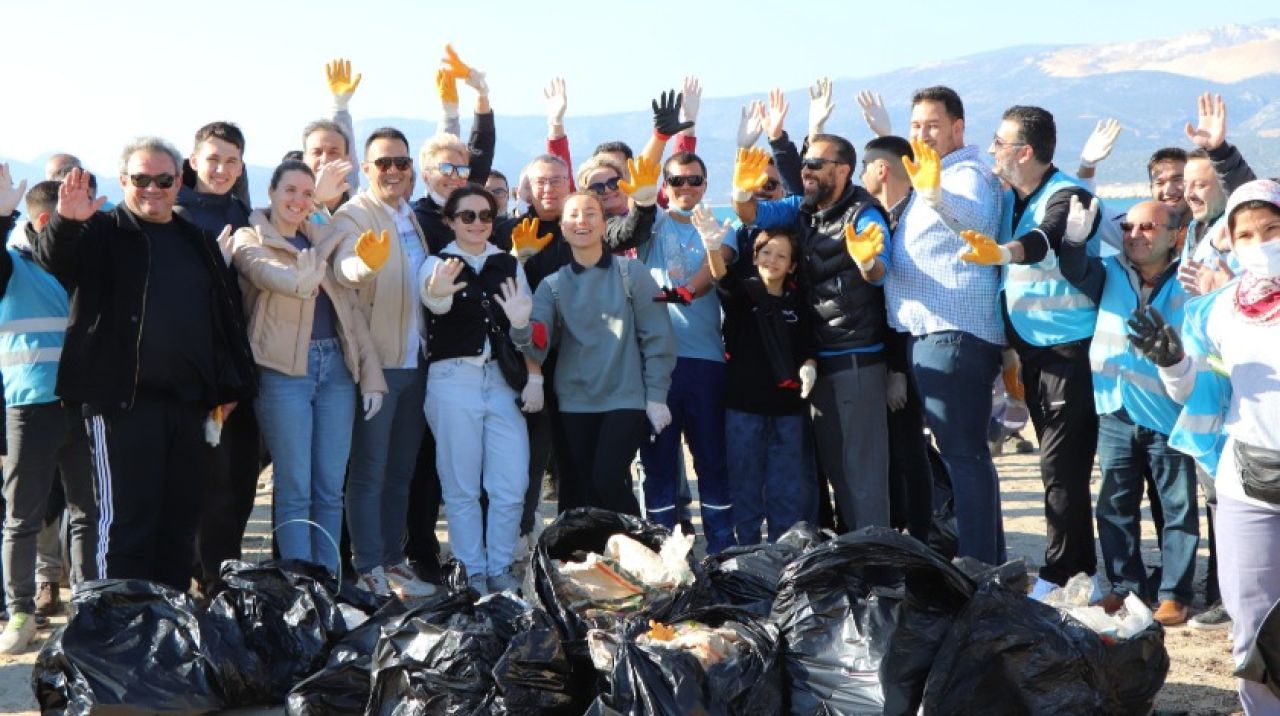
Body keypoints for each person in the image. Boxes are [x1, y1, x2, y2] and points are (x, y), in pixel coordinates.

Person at [33, 139, 257, 591]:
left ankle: (165, 625)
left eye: (163, 179)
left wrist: (227, 386)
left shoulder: (196, 241)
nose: (152, 188)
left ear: (179, 181)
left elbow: (222, 317)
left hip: (190, 408)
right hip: (121, 406)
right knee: (124, 525)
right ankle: (118, 628)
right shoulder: (98, 232)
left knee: (178, 525)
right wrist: (66, 223)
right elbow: (54, 261)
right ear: (123, 181)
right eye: (140, 179)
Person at [962, 106, 1103, 600]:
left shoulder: (1068, 195)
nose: (993, 149)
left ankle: (1061, 573)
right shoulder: (1009, 196)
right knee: (1059, 468)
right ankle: (1081, 567)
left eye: (1000, 142)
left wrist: (1002, 253)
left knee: (1060, 469)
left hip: (1069, 354)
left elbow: (1045, 239)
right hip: (1031, 353)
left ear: (1025, 151)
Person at [1151, 179, 1280, 712]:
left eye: (1272, 229)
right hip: (1248, 481)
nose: (1259, 243)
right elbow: (1193, 390)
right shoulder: (1217, 309)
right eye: (1245, 233)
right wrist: (1171, 361)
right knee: (1251, 626)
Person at [864, 86, 1008, 562]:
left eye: (932, 125)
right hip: (932, 332)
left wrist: (936, 195)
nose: (922, 134)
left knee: (963, 456)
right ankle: (986, 560)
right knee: (966, 456)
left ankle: (976, 566)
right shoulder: (938, 173)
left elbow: (978, 225)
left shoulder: (966, 175)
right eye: (915, 126)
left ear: (958, 128)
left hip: (954, 332)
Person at [733, 134, 894, 533]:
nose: (805, 170)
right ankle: (851, 561)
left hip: (857, 355)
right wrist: (739, 189)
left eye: (816, 164)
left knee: (864, 476)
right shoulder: (802, 209)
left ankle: (877, 564)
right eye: (804, 163)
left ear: (842, 170)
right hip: (819, 359)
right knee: (838, 471)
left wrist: (867, 262)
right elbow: (751, 214)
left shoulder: (865, 215)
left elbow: (880, 272)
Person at [232, 160, 386, 574]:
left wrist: (371, 376)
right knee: (295, 487)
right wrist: (298, 282)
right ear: (272, 192)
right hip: (283, 374)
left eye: (306, 193)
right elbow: (263, 272)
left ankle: (329, 582)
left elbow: (351, 314)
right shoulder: (251, 237)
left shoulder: (322, 240)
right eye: (290, 191)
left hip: (335, 366)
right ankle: (301, 584)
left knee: (329, 489)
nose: (298, 200)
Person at [1058, 198, 1199, 626]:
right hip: (1115, 410)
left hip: (1168, 411)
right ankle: (1125, 588)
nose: (1134, 235)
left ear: (1175, 235)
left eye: (1148, 228)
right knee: (1115, 505)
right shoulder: (1110, 271)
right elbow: (1074, 267)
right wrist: (1073, 239)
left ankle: (1174, 593)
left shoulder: (1192, 279)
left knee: (1177, 509)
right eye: (1129, 227)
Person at [503, 191, 676, 515]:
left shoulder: (632, 274)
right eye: (573, 215)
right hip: (573, 400)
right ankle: (581, 559)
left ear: (604, 223)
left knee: (608, 479)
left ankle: (644, 548)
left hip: (625, 398)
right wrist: (520, 325)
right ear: (563, 227)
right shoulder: (551, 285)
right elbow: (537, 344)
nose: (581, 221)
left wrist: (656, 395)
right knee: (578, 489)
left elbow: (658, 337)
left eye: (590, 213)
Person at [331, 127, 436, 598]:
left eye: (401, 162)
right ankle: (368, 564)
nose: (393, 171)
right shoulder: (353, 214)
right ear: (367, 169)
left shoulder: (409, 216)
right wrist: (363, 266)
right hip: (377, 363)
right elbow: (343, 272)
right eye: (383, 163)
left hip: (416, 360)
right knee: (370, 469)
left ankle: (394, 559)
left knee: (401, 470)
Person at [419, 186, 536, 596]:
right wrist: (437, 292)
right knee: (461, 485)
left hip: (501, 380)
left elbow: (525, 330)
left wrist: (532, 371)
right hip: (453, 379)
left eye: (485, 216)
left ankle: (501, 565)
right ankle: (472, 571)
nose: (477, 224)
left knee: (511, 483)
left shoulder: (508, 263)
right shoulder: (436, 263)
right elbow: (432, 301)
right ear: (450, 220)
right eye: (467, 216)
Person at [0, 175, 97, 653]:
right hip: (30, 409)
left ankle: (88, 603)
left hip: (81, 406)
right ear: (46, 220)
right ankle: (20, 612)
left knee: (88, 512)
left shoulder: (83, 267)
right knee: (23, 516)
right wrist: (0, 216)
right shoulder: (13, 266)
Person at [174, 121, 261, 596]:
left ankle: (224, 572)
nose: (221, 169)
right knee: (207, 482)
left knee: (240, 480)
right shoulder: (177, 214)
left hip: (243, 368)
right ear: (193, 160)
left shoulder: (245, 215)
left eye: (231, 161)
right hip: (196, 371)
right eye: (213, 159)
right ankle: (203, 577)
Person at [635, 151, 738, 554]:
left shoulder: (721, 225)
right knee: (658, 462)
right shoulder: (651, 226)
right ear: (665, 186)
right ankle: (663, 552)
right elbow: (627, 218)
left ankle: (720, 548)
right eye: (677, 181)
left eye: (694, 180)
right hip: (656, 362)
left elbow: (715, 273)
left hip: (705, 360)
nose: (686, 188)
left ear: (706, 184)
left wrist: (683, 292)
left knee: (711, 458)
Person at [698, 208, 817, 543]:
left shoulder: (799, 302)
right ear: (755, 257)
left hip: (788, 411)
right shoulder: (743, 294)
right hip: (743, 408)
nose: (773, 260)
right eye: (766, 252)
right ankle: (747, 556)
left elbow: (809, 344)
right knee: (744, 484)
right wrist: (712, 246)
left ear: (793, 265)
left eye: (782, 255)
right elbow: (722, 278)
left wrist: (810, 366)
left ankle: (783, 556)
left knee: (786, 488)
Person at [860, 134, 937, 541]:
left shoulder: (913, 219)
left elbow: (898, 299)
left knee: (910, 449)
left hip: (909, 348)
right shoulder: (889, 215)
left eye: (863, 167)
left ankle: (919, 537)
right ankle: (899, 532)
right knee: (896, 449)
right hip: (896, 350)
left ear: (881, 170)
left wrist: (896, 368)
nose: (859, 176)